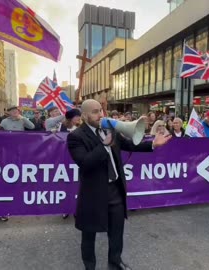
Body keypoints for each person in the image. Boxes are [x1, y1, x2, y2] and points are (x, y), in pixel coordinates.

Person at [67, 99, 171, 270]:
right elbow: (85, 162)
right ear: (84, 116)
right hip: (93, 194)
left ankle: (115, 262)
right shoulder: (76, 137)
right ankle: (89, 266)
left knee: (116, 231)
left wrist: (153, 144)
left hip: (115, 190)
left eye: (101, 110)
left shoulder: (111, 130)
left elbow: (129, 145)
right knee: (89, 233)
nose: (100, 114)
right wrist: (103, 145)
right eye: (95, 111)